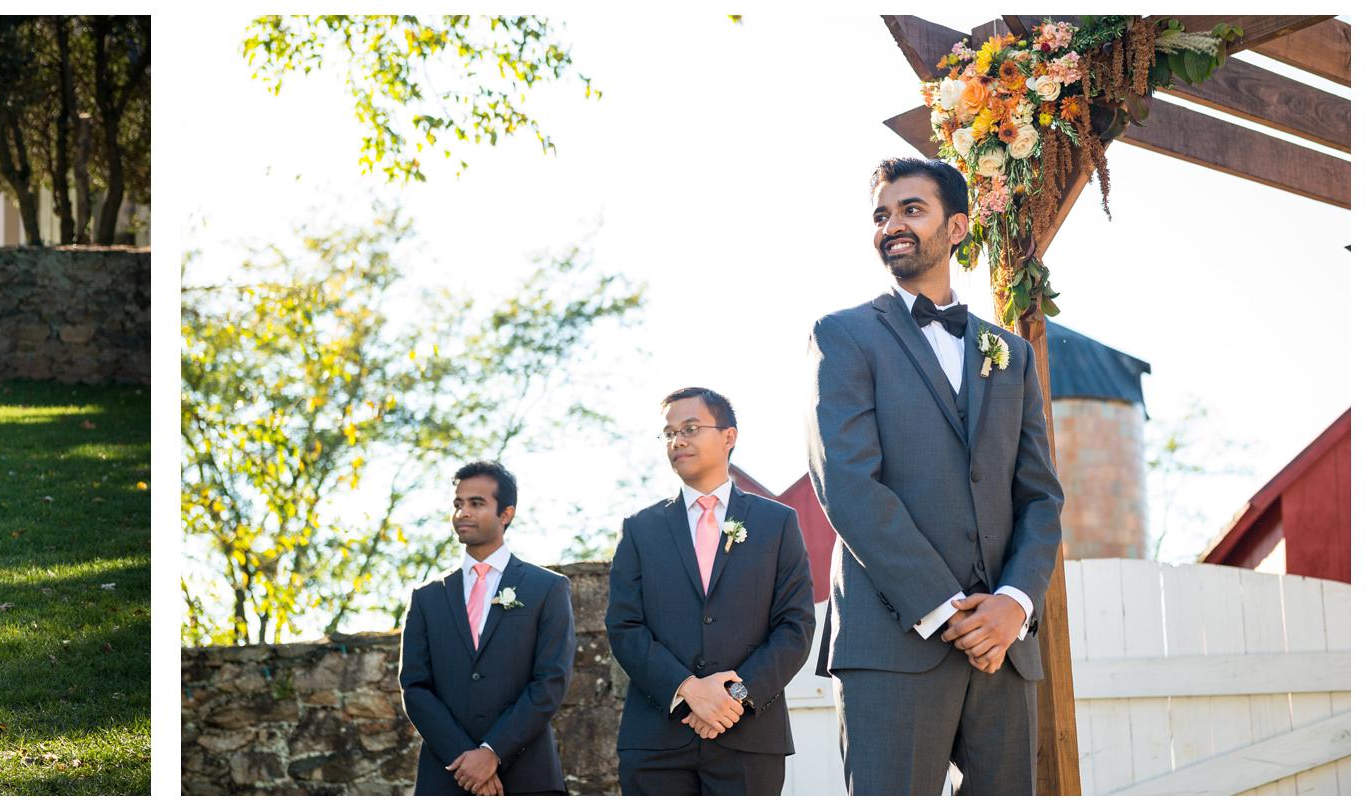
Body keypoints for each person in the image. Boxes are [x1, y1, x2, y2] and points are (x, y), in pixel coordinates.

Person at [804, 156, 1065, 794]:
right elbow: (848, 486)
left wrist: (1014, 604)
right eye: (881, 215)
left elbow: (1040, 499)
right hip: (896, 643)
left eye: (911, 210)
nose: (892, 225)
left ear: (957, 227)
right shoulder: (842, 336)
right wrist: (946, 611)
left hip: (1004, 648)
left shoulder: (1011, 354)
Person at [606, 387, 814, 794]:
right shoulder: (639, 529)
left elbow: (796, 626)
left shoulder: (778, 524)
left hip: (749, 740)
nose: (676, 441)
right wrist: (687, 691)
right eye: (668, 433)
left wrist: (734, 695)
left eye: (689, 428)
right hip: (656, 743)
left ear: (728, 437)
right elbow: (625, 627)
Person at [398, 461, 575, 796]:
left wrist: (492, 751)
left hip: (528, 775)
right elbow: (415, 686)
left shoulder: (547, 589)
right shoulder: (427, 597)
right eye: (458, 504)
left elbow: (550, 680)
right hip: (447, 777)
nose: (463, 512)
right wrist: (464, 759)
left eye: (476, 503)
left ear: (506, 513)